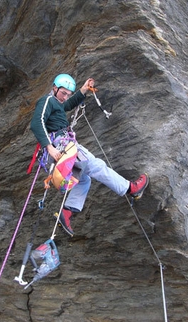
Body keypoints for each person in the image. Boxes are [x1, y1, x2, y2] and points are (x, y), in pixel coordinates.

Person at [30, 74, 149, 236]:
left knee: (83, 179)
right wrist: (50, 147)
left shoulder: (58, 103)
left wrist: (83, 90)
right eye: (63, 92)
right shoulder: (47, 101)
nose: (65, 97)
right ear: (54, 88)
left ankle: (66, 212)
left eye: (67, 94)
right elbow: (37, 122)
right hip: (61, 144)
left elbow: (69, 104)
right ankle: (131, 188)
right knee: (96, 166)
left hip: (59, 146)